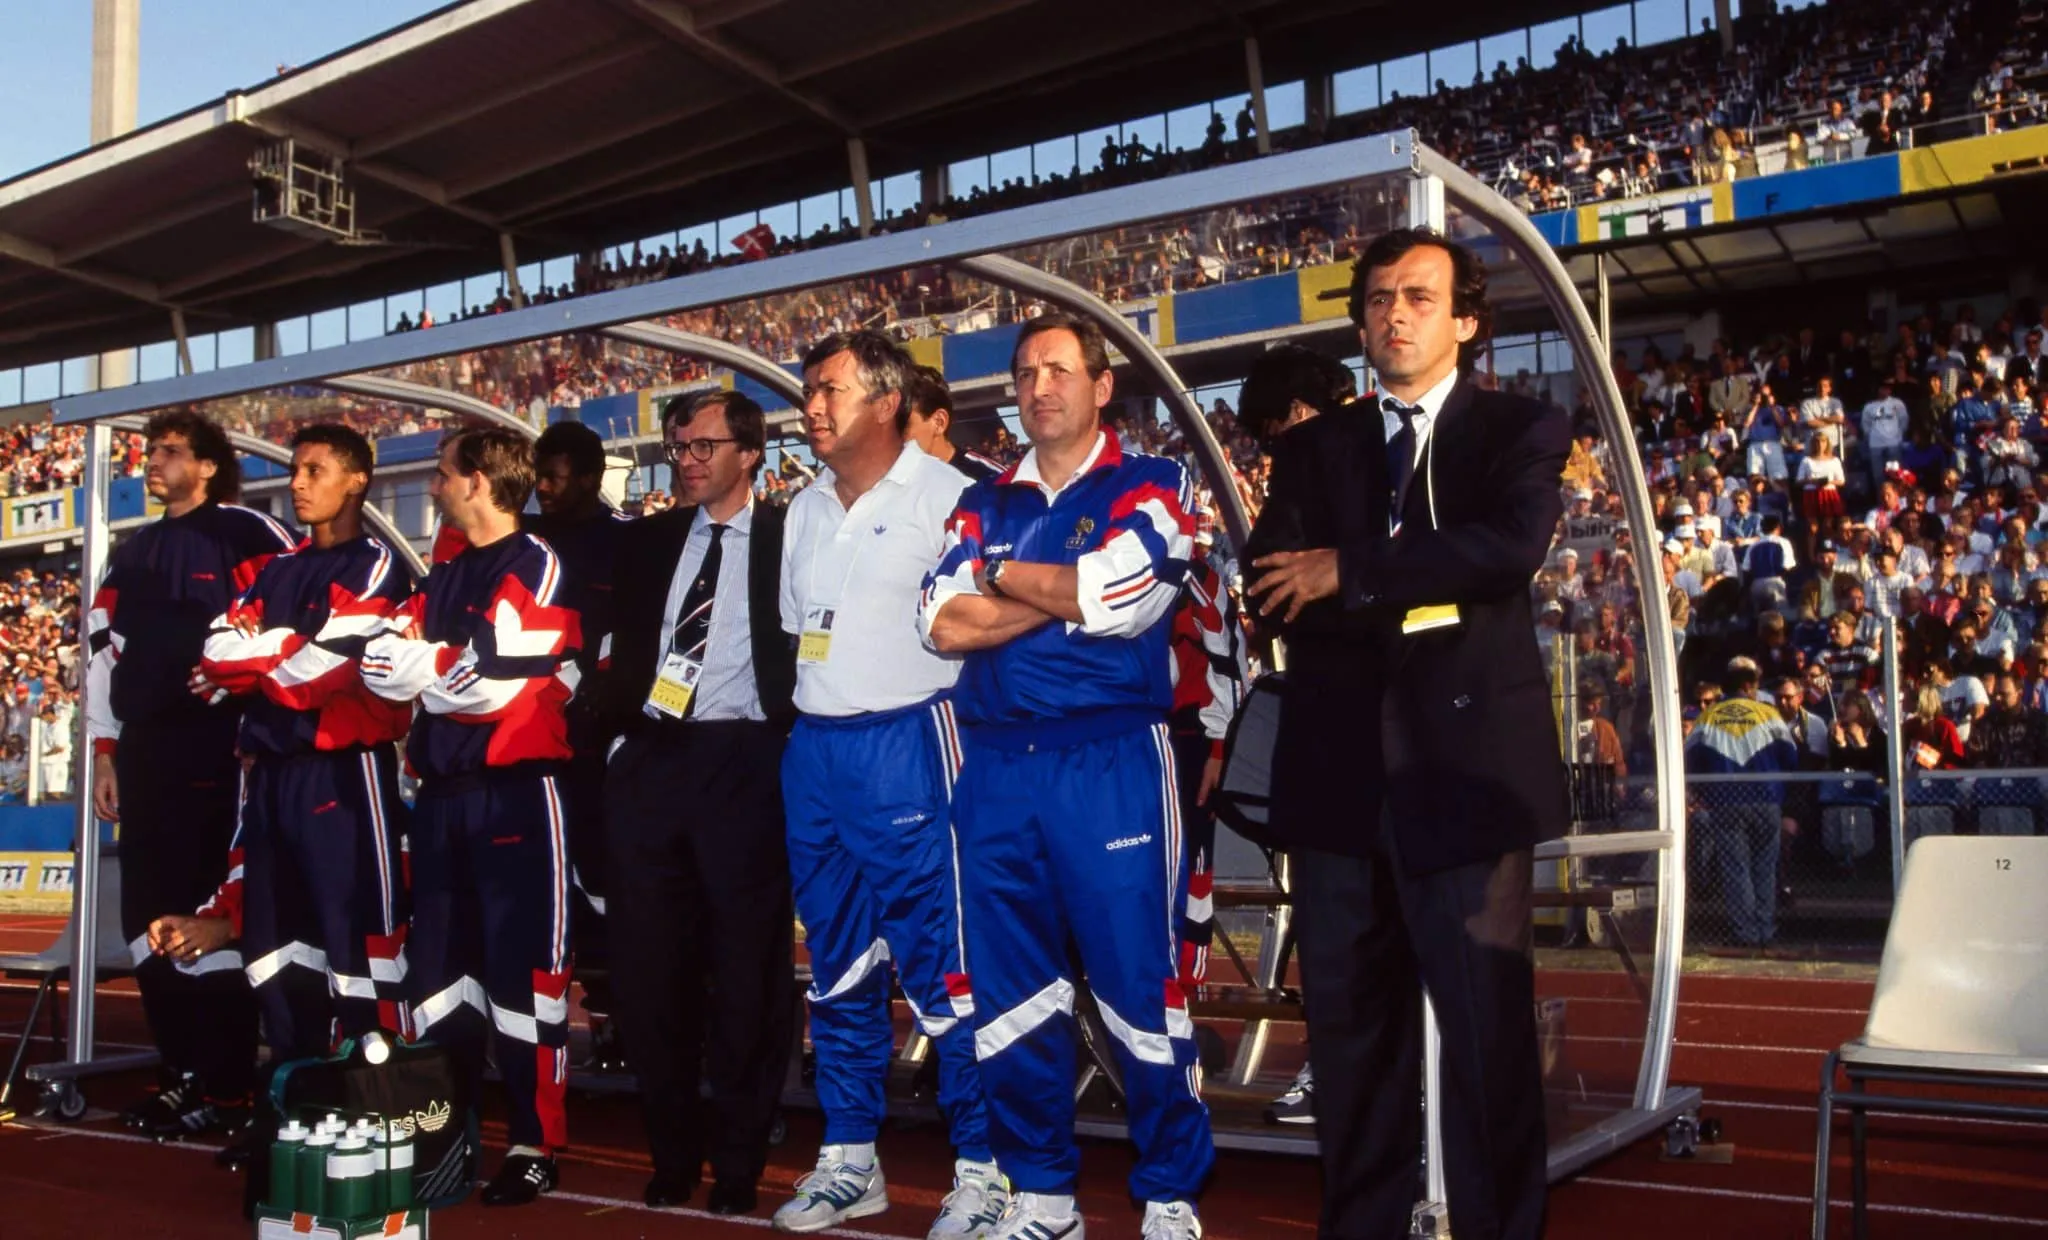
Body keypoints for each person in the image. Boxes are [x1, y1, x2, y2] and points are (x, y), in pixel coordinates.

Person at [1244, 227, 1567, 1240]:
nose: (1392, 315)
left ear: (1464, 322)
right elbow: (1268, 593)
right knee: (1350, 1049)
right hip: (1337, 791)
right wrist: (1417, 578)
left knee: (1486, 1047)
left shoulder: (1517, 429)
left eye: (1417, 298)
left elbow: (1505, 550)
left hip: (1465, 783)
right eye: (1377, 299)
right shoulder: (1310, 448)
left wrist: (1352, 571)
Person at [921, 310, 1211, 1240]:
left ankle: (1169, 1194)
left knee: (1138, 982)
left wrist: (1003, 580)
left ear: (1100, 385)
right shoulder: (982, 500)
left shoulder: (1153, 481)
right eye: (1023, 373)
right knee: (1009, 996)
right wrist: (1052, 589)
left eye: (1057, 369)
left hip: (1112, 761)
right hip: (997, 767)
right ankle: (1042, 1197)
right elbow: (940, 623)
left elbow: (1121, 599)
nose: (1038, 386)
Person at [770, 331, 1003, 1235]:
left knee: (944, 965)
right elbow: (802, 626)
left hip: (914, 741)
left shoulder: (956, 498)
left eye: (827, 390)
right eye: (807, 390)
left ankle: (984, 1166)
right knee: (834, 966)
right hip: (815, 747)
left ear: (885, 400)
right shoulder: (801, 511)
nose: (811, 407)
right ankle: (849, 1155)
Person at [153, 425, 415, 1165]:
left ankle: (371, 1123)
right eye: (295, 470)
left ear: (357, 480)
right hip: (267, 774)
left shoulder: (376, 566)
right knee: (271, 956)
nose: (298, 483)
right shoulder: (273, 570)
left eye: (315, 470)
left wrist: (263, 659)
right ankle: (291, 1121)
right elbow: (212, 658)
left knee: (356, 953)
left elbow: (322, 673)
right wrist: (281, 654)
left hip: (343, 775)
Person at [361, 428, 583, 1205]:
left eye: (444, 473)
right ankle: (444, 1138)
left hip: (518, 794)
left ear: (481, 481)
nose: (432, 486)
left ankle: (533, 1143)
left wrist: (428, 668)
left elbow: (488, 684)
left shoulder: (537, 562)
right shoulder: (445, 574)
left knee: (526, 980)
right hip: (442, 801)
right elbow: (382, 665)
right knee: (439, 983)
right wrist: (435, 667)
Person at [596, 391, 796, 1216]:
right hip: (652, 765)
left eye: (704, 444)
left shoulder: (790, 536)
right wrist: (616, 745)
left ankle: (742, 1157)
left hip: (743, 763)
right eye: (678, 445)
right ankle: (674, 1151)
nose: (686, 458)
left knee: (748, 971)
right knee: (650, 974)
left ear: (749, 453)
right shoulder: (646, 542)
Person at [84, 410, 296, 1139]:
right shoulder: (133, 551)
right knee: (146, 920)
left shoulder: (246, 532)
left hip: (218, 750)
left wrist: (248, 702)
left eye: (170, 452)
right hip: (144, 753)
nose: (152, 462)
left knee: (210, 916)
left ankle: (230, 1087)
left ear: (208, 465)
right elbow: (101, 653)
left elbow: (290, 617)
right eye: (151, 451)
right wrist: (106, 750)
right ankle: (180, 1076)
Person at [524, 421, 634, 1073]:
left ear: (591, 477)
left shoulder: (625, 543)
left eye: (555, 476)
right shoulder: (524, 540)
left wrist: (604, 693)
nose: (542, 487)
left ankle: (615, 1011)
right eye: (538, 474)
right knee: (540, 885)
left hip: (599, 750)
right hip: (530, 747)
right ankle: (542, 1015)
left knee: (604, 881)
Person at [1685, 658, 1800, 950]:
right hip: (1766, 800)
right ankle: (1765, 929)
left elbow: (1690, 757)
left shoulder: (1709, 716)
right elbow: (1791, 756)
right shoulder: (1768, 714)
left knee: (1736, 869)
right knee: (1764, 867)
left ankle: (1745, 933)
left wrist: (1704, 792)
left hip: (1727, 802)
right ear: (1750, 686)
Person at [905, 364, 1005, 483]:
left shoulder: (993, 481)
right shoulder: (885, 484)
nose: (889, 437)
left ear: (939, 422)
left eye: (902, 424)